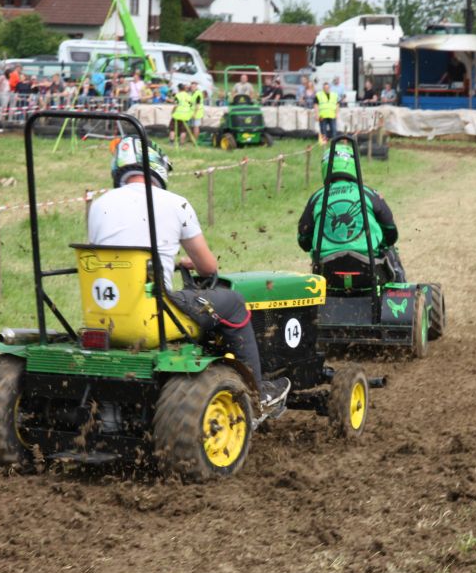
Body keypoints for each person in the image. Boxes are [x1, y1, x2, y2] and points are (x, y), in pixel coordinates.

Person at [88, 137, 291, 408]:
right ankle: (257, 392)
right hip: (152, 314)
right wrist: (188, 261)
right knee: (234, 304)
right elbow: (208, 267)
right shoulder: (176, 204)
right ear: (158, 167)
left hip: (105, 314)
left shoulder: (99, 205)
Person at [297, 140, 405, 282]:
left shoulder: (317, 197)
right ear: (354, 166)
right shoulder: (368, 194)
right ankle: (399, 291)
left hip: (328, 271)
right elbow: (391, 231)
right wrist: (383, 243)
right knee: (390, 250)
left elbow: (303, 239)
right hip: (369, 269)